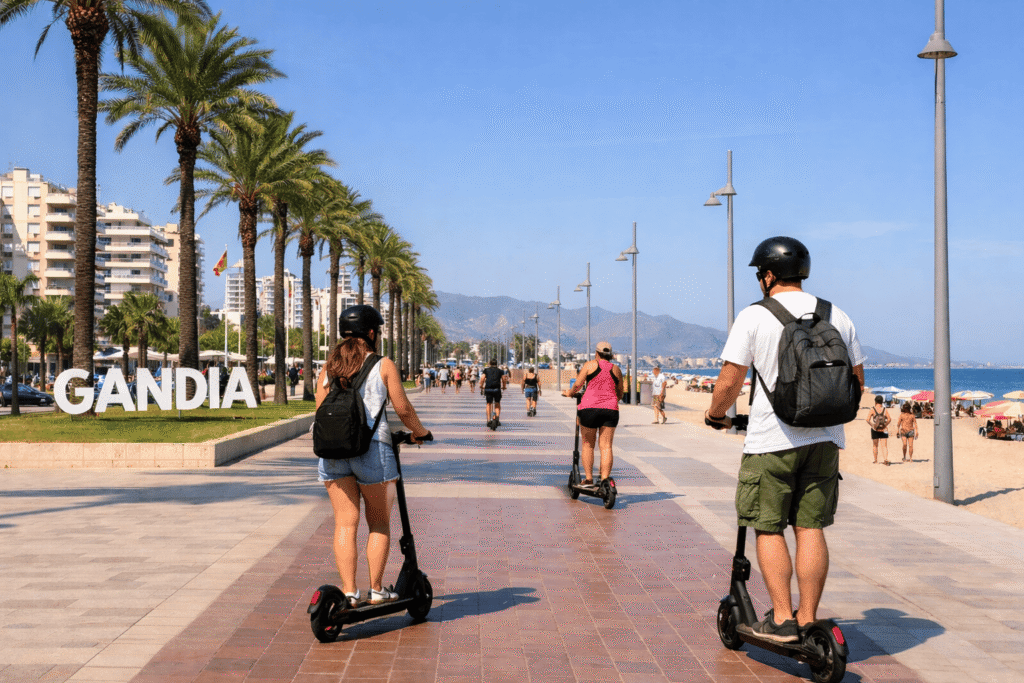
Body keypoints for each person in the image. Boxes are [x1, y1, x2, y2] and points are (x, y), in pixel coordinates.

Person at [703, 236, 865, 644]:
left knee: (768, 525)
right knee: (810, 527)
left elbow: (730, 380)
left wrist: (715, 415)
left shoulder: (754, 316)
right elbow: (856, 382)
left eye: (761, 273)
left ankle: (780, 618)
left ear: (769, 275)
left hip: (772, 440)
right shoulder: (837, 315)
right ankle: (808, 617)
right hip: (826, 439)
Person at [314, 305, 431, 607]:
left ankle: (349, 592)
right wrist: (420, 432)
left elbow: (319, 411)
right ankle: (377, 589)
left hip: (333, 453)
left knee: (345, 523)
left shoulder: (328, 368)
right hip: (373, 451)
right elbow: (403, 409)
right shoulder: (383, 365)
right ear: (371, 333)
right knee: (378, 522)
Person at [563, 341, 623, 487]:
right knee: (606, 446)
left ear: (596, 353)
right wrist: (610, 400)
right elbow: (620, 392)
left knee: (588, 444)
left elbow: (577, 385)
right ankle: (604, 481)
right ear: (611, 355)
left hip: (589, 409)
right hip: (611, 410)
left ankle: (589, 479)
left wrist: (569, 393)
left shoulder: (590, 365)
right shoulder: (616, 369)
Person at [867, 395, 891, 465]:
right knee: (884, 445)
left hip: (875, 429)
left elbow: (867, 420)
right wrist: (885, 425)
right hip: (884, 429)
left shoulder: (872, 409)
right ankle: (885, 459)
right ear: (882, 401)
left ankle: (875, 460)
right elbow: (889, 419)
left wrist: (873, 425)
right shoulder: (885, 409)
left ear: (875, 401)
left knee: (875, 445)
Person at [481, 359, 505, 427]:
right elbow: (503, 379)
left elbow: (482, 378)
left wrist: (481, 385)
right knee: (497, 403)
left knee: (489, 404)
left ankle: (488, 420)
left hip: (488, 389)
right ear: (496, 364)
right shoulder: (500, 371)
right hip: (497, 389)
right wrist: (504, 386)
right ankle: (497, 419)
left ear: (490, 364)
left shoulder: (486, 370)